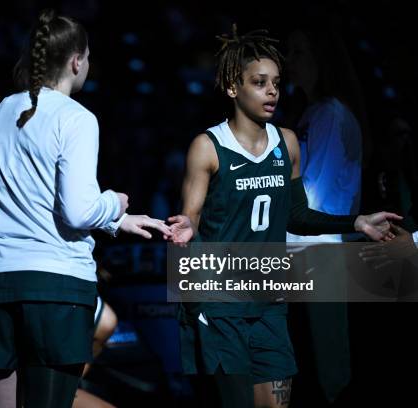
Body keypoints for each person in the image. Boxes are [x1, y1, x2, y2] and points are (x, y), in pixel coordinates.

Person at [167, 25, 401, 408]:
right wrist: (187, 228)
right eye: (260, 82)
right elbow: (189, 217)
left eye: (276, 82)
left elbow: (297, 215)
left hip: (270, 302)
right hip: (220, 302)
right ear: (232, 87)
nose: (272, 90)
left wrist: (355, 222)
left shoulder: (286, 142)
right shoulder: (207, 146)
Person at [0, 9, 171, 408]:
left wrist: (119, 221)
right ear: (77, 60)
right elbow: (79, 211)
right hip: (54, 288)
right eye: (89, 57)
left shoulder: (2, 110)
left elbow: (37, 199)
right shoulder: (77, 117)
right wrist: (112, 202)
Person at [283, 24, 368, 406]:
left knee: (328, 370)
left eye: (300, 52)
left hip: (323, 254)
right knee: (306, 366)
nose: (292, 61)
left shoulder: (330, 114)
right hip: (301, 254)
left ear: (321, 58)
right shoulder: (310, 113)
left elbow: (314, 196)